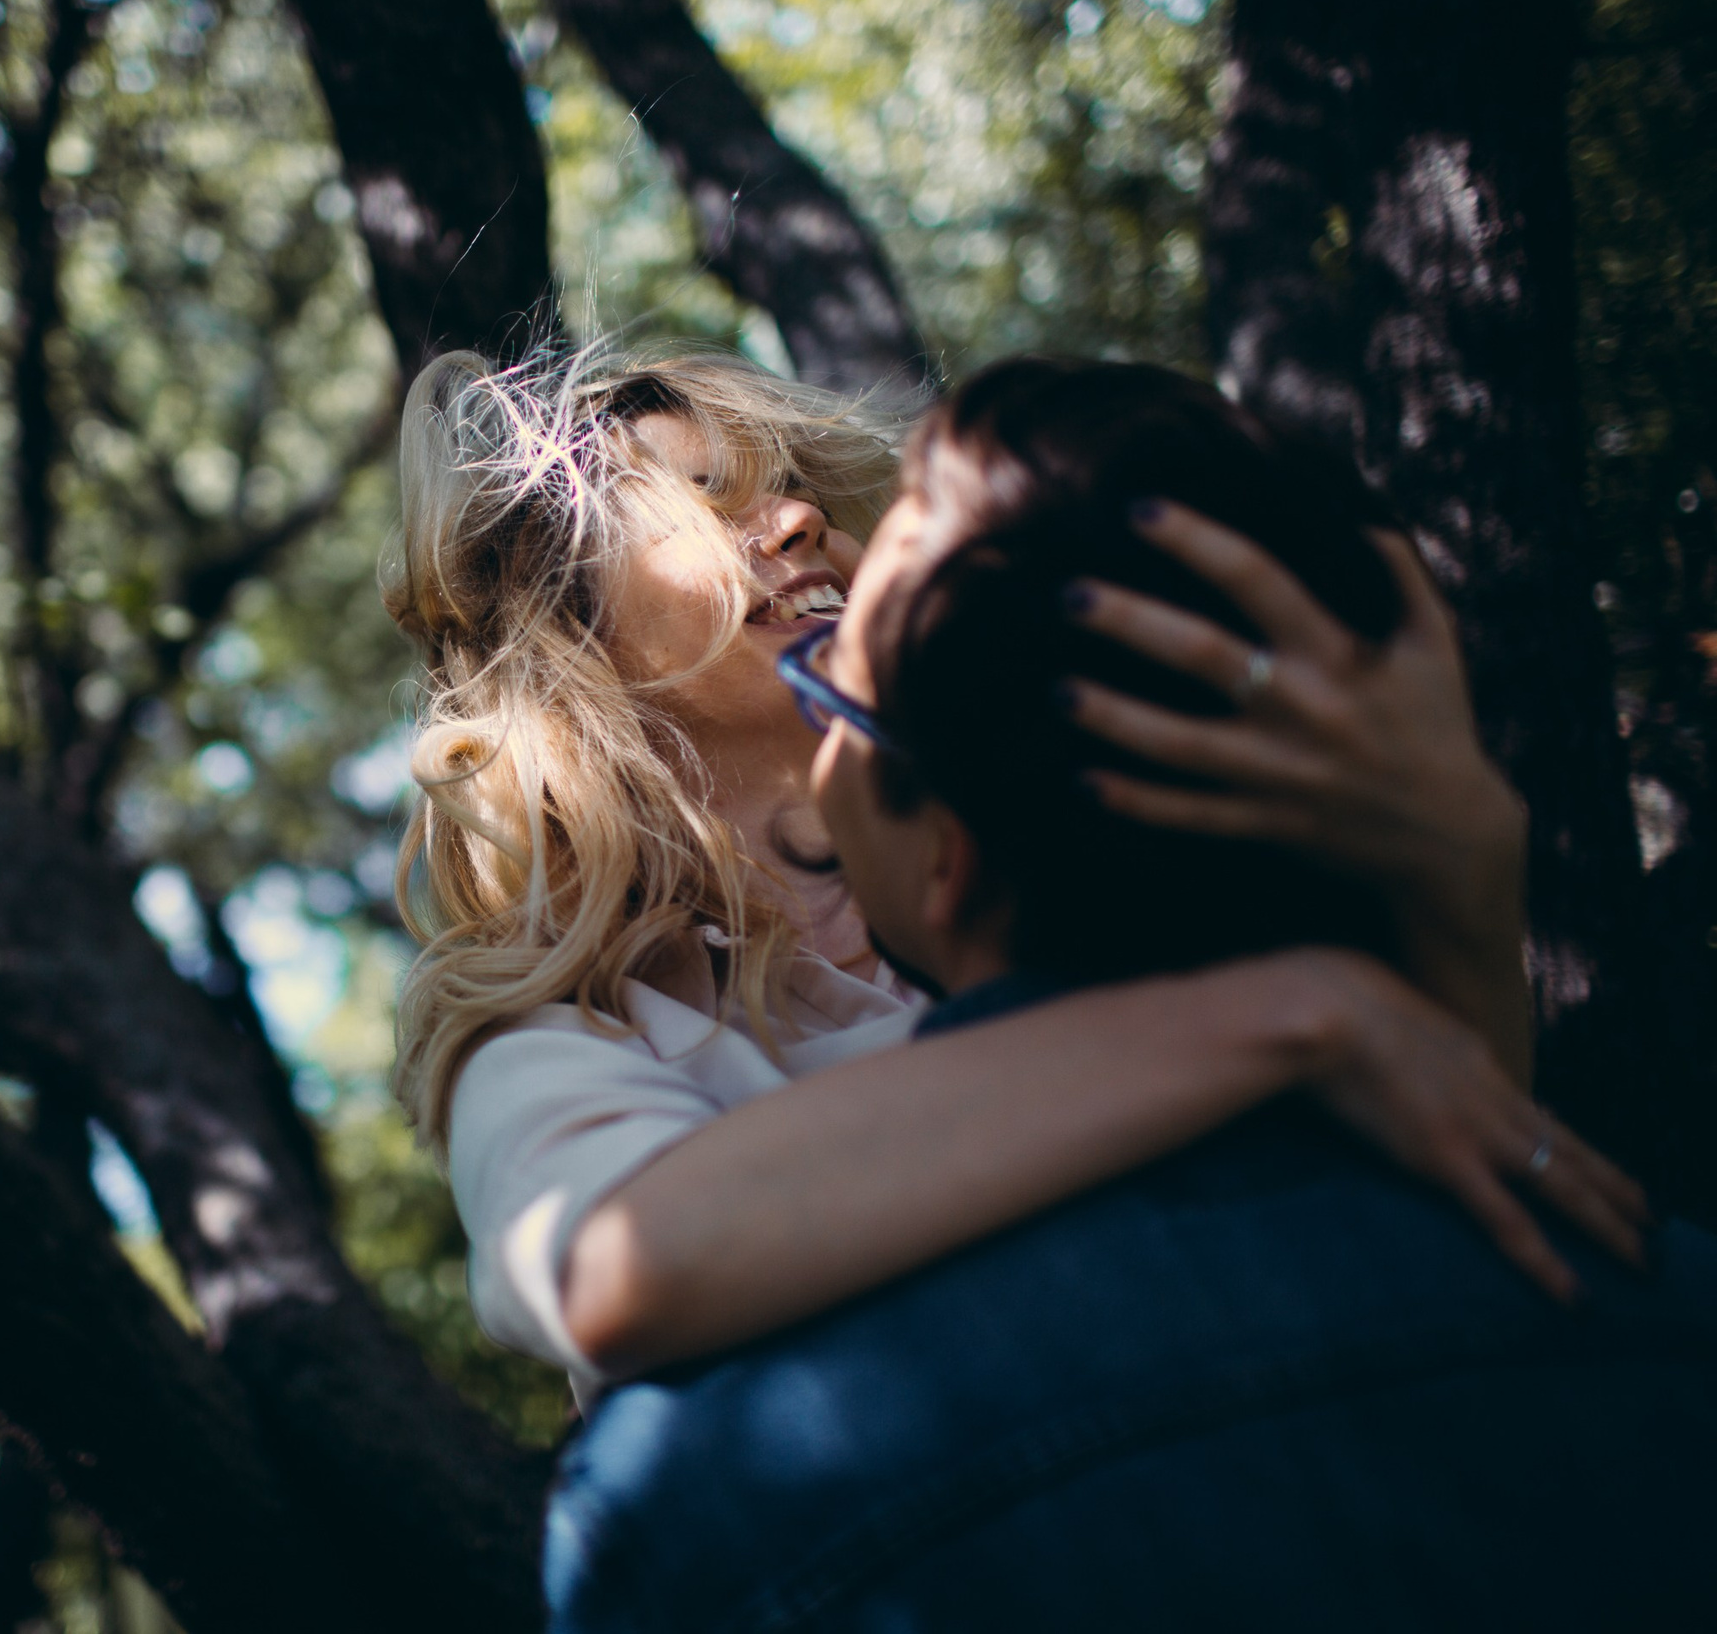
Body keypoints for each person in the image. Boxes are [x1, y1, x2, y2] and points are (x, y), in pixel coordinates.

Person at [540, 357, 1717, 1631]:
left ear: (948, 851)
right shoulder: (1657, 1297)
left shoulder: (700, 1496)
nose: (797, 521)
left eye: (841, 709)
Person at [384, 345, 1638, 1418]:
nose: (801, 521)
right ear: (572, 644)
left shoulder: (1059, 874)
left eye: (801, 490)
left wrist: (1464, 872)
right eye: (709, 502)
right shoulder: (576, 1035)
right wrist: (1278, 1018)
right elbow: (610, 1266)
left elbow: (1442, 1178)